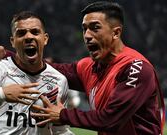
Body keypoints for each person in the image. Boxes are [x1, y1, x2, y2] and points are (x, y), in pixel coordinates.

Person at [29, 1, 165, 135]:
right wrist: (10, 57)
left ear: (116, 33)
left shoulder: (135, 68)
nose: (87, 35)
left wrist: (64, 115)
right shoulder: (89, 67)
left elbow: (111, 120)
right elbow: (51, 70)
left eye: (95, 28)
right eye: (84, 29)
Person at [0, 11, 73, 135]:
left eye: (35, 32)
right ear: (12, 41)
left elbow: (59, 131)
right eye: (21, 33)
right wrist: (0, 94)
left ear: (45, 38)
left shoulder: (59, 80)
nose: (28, 37)